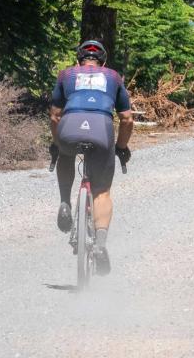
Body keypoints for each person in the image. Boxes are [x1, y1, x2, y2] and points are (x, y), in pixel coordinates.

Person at [49, 38, 133, 275]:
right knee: (102, 191)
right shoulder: (114, 77)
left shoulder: (66, 74)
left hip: (70, 125)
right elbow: (126, 118)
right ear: (103, 62)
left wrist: (57, 143)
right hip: (101, 128)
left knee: (64, 153)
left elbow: (55, 116)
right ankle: (101, 244)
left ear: (78, 60)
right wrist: (121, 147)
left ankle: (65, 201)